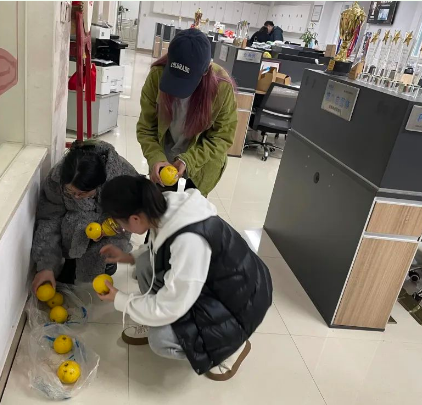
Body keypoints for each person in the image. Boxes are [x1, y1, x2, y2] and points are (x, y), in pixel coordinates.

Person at [97, 175, 273, 381]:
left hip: (241, 305)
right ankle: (153, 319)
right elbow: (160, 249)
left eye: (120, 224)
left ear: (135, 219)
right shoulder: (162, 206)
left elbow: (170, 307)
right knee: (144, 264)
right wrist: (128, 257)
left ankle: (233, 345)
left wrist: (120, 299)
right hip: (216, 285)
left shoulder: (189, 241)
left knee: (160, 340)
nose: (122, 229)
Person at [137, 28, 237, 197]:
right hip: (165, 157)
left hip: (201, 162)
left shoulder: (222, 88)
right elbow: (146, 127)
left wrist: (188, 160)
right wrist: (155, 157)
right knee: (159, 204)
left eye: (186, 81)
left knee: (191, 207)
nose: (177, 91)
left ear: (205, 71)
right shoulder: (157, 76)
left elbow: (222, 137)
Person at [31, 140, 138, 292]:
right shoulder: (57, 180)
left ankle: (104, 259)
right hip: (75, 229)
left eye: (82, 193)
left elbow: (136, 211)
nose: (76, 197)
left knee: (106, 258)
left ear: (99, 185)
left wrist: (116, 225)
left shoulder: (123, 177)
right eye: (70, 191)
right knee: (72, 223)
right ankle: (72, 259)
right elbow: (49, 220)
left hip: (110, 222)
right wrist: (46, 265)